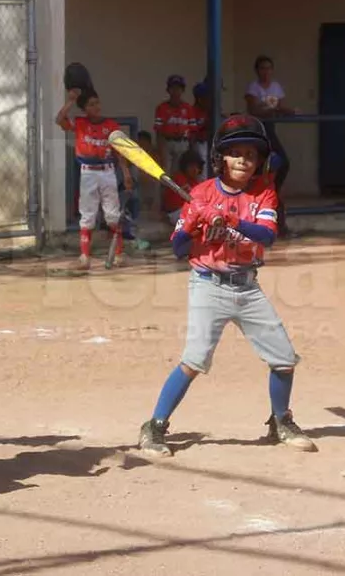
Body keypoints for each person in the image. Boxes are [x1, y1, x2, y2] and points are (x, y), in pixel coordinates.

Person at [137, 114, 317, 458]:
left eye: (251, 154)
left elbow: (267, 235)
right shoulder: (201, 194)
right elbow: (177, 248)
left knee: (283, 359)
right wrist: (193, 225)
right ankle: (155, 426)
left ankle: (280, 421)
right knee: (194, 360)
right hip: (209, 284)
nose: (244, 160)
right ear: (221, 158)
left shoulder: (264, 192)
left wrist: (231, 219)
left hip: (247, 287)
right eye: (236, 153)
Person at [58, 88, 134, 269]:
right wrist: (70, 101)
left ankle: (119, 254)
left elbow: (119, 151)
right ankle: (85, 256)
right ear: (84, 109)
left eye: (97, 102)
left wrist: (126, 173)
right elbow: (59, 120)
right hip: (88, 172)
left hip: (107, 171)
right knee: (88, 213)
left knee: (112, 214)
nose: (96, 107)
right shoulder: (80, 123)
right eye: (91, 104)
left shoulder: (110, 125)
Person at [244, 56, 296, 238]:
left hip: (270, 129)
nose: (265, 72)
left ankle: (275, 193)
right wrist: (272, 110)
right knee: (259, 170)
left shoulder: (275, 87)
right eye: (262, 68)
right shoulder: (253, 88)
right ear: (257, 70)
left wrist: (286, 110)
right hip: (258, 129)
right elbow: (254, 111)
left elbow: (281, 107)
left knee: (282, 163)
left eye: (268, 68)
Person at [154, 74, 197, 176]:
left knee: (181, 173)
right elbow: (158, 131)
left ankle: (177, 193)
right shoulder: (162, 108)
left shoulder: (188, 108)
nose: (175, 91)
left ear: (183, 90)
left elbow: (193, 131)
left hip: (183, 143)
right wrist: (160, 149)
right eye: (173, 88)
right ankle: (166, 192)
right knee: (165, 174)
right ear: (168, 90)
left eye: (178, 88)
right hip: (167, 143)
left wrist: (191, 150)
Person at [162, 149, 204, 226]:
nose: (195, 169)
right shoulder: (178, 178)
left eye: (197, 167)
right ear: (185, 166)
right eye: (191, 166)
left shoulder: (196, 181)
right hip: (173, 214)